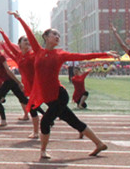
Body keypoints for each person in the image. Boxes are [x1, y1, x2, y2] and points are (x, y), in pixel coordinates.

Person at [13, 12, 112, 159]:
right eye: (54, 34)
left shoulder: (61, 54)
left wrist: (105, 54)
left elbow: (82, 57)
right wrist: (19, 18)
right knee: (73, 121)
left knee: (46, 121)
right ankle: (99, 143)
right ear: (46, 37)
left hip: (59, 95)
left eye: (59, 35)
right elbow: (29, 33)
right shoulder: (38, 51)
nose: (57, 37)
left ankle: (43, 151)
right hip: (47, 97)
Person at [0, 25, 41, 138]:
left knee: (49, 106)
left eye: (28, 40)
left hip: (39, 85)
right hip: (29, 87)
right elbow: (9, 49)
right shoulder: (18, 56)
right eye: (25, 40)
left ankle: (37, 131)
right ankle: (36, 131)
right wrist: (3, 37)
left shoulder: (33, 54)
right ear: (20, 44)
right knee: (33, 107)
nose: (27, 42)